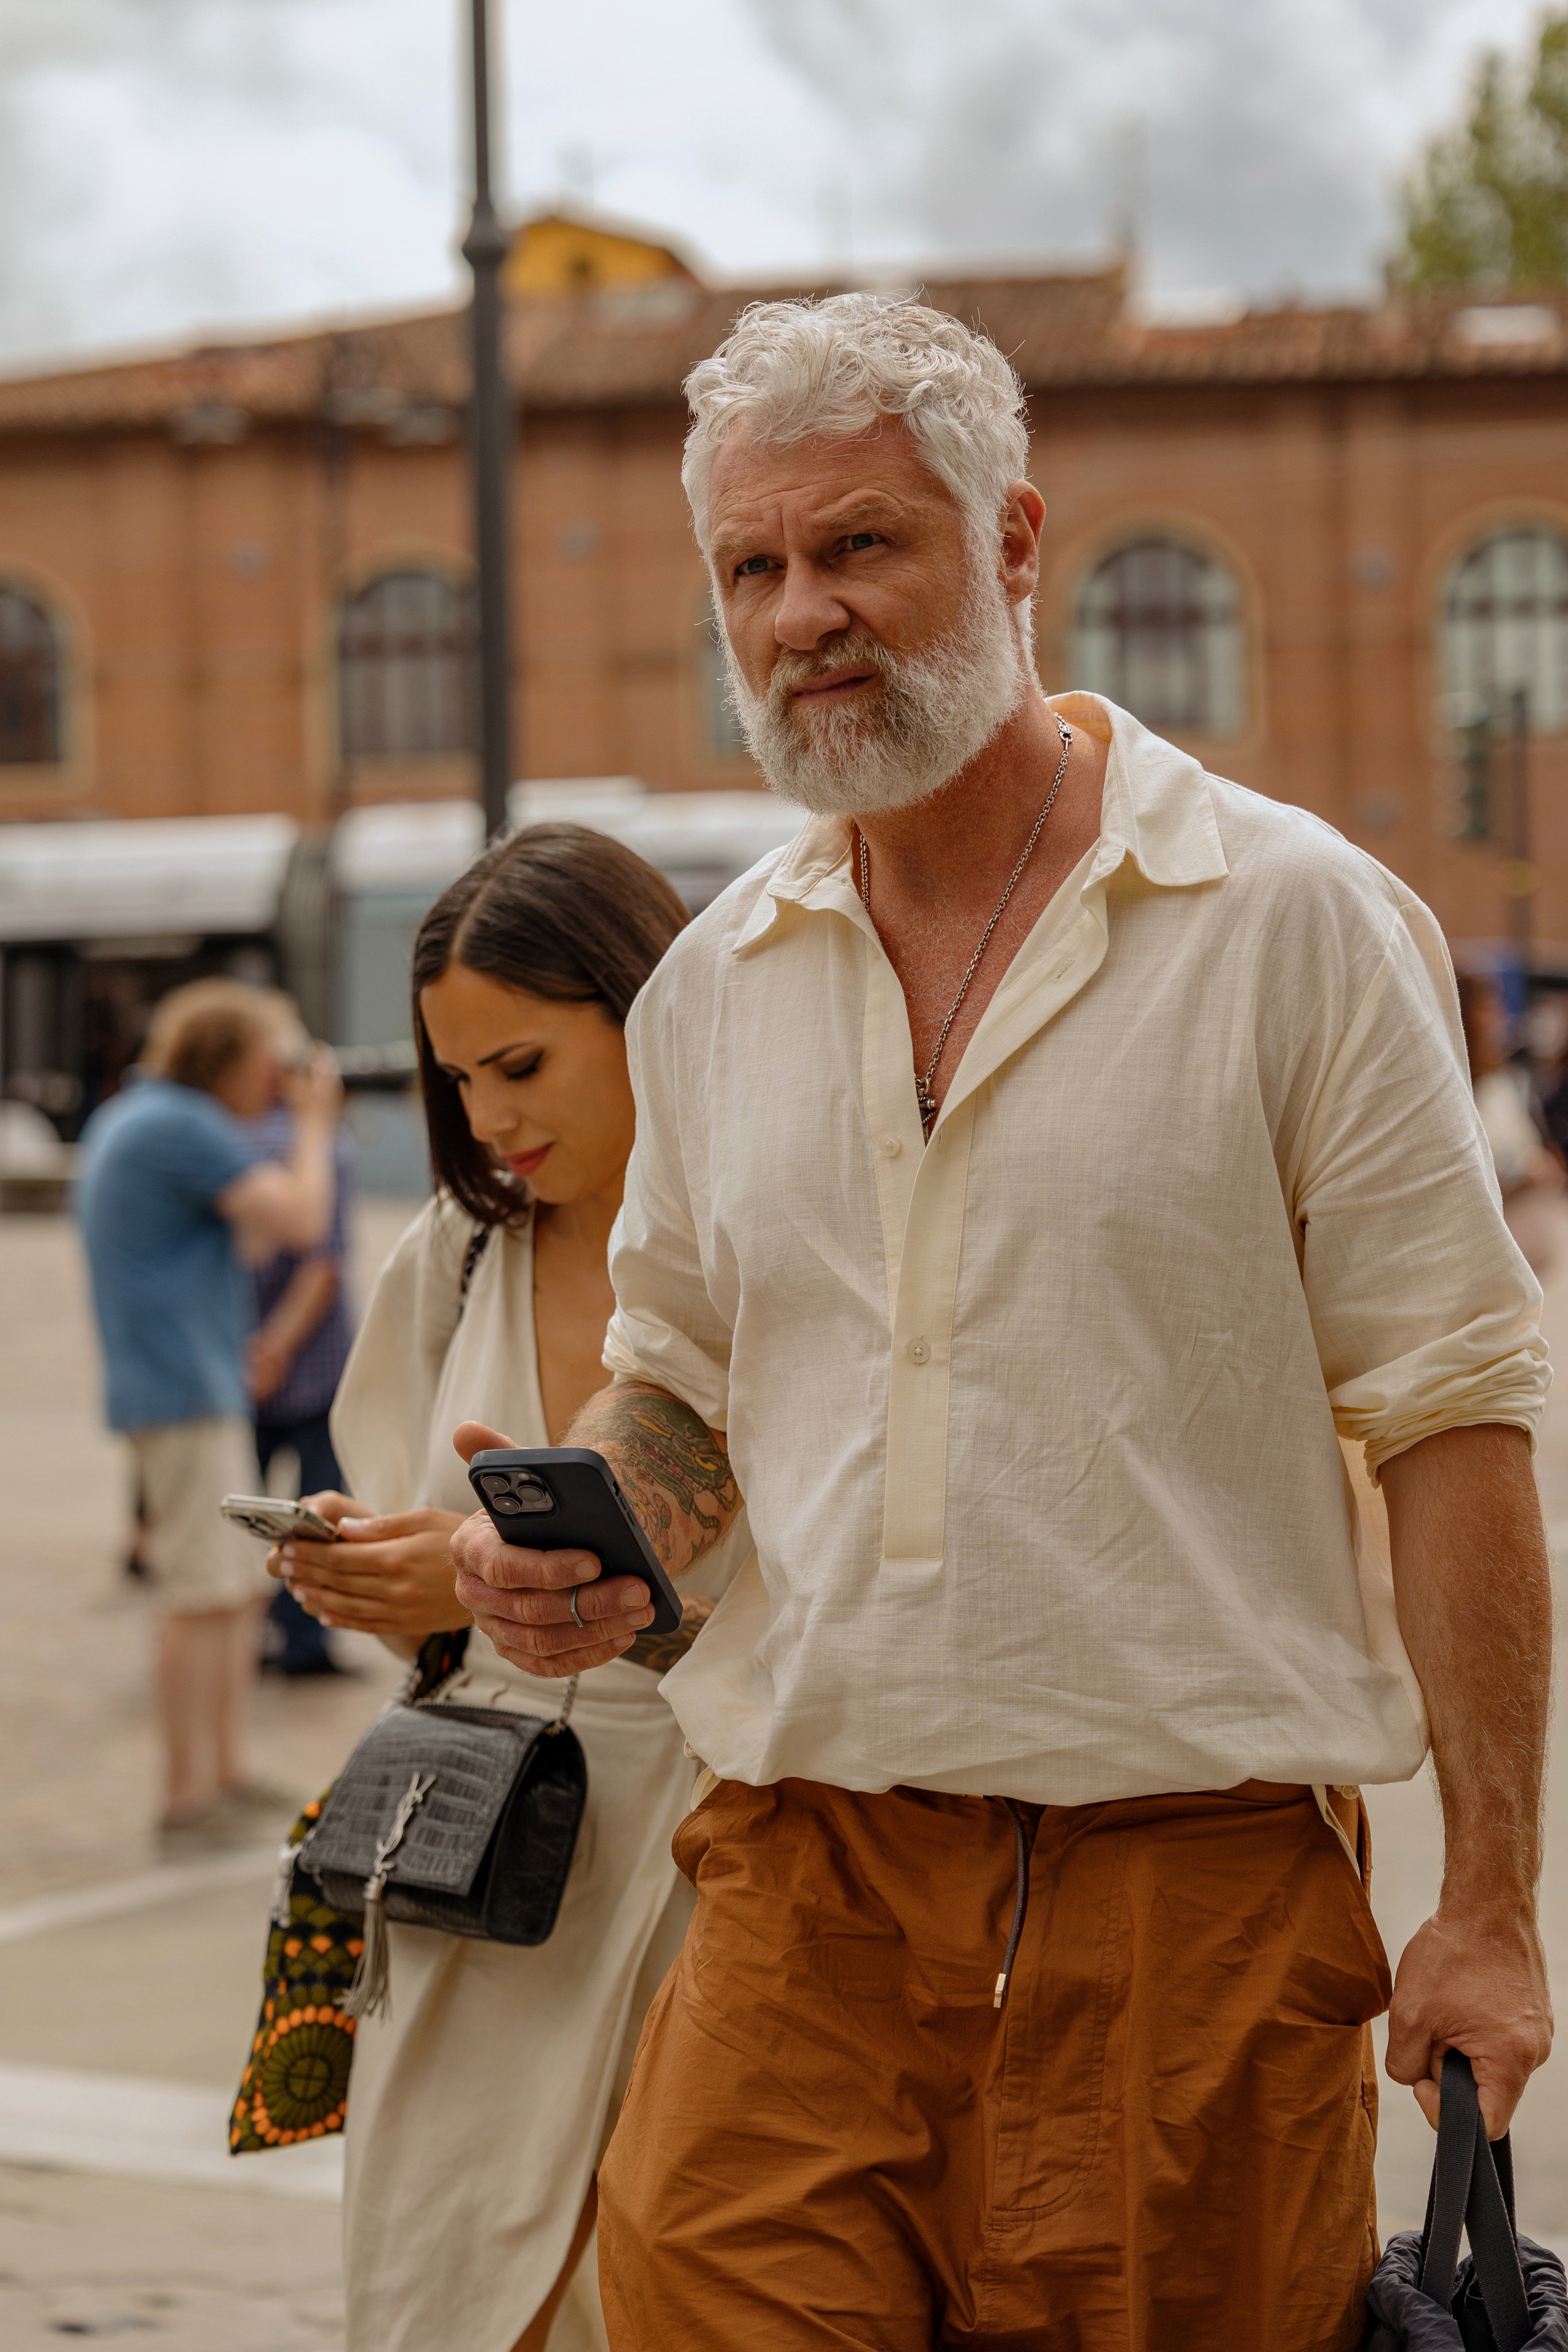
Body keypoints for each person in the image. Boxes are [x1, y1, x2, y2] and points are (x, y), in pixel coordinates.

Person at [450, 296, 1556, 2352]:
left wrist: (1488, 1904)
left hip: (1192, 1901)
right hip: (804, 1891)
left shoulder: (1296, 921)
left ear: (1017, 540)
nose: (804, 614)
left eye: (862, 543)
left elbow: (1458, 1416)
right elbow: (681, 1382)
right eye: (753, 569)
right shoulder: (716, 984)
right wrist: (599, 1529)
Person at [267, 824, 746, 2352]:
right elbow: (424, 1550)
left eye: (522, 1064)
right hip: (483, 1869)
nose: (490, 1114)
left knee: (670, 2285)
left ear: (646, 1009)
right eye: (459, 1077)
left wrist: (482, 1585)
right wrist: (378, 1570)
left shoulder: (776, 1242)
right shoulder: (456, 1256)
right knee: (445, 2283)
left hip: (718, 1858)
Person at [76, 978, 341, 1847]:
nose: (280, 1076)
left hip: (187, 1386)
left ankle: (220, 1774)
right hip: (184, 1390)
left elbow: (256, 1234)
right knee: (203, 1595)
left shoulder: (145, 1119)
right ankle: (190, 1795)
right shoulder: (178, 1123)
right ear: (230, 1057)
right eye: (272, 1058)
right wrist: (314, 1124)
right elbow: (302, 1220)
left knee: (229, 1594)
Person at [241, 1033, 358, 1676]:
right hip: (312, 1363)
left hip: (242, 1361)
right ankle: (305, 1643)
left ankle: (245, 1634)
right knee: (317, 1514)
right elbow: (324, 1268)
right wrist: (281, 1349)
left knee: (244, 1509)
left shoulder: (232, 1145)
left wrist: (258, 1350)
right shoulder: (325, 1151)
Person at [1457, 967, 1566, 1278]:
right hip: (1495, 1258)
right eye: (1487, 1005)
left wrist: (1546, 1165)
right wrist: (1522, 1183)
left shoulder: (1502, 1080)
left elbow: (1529, 1144)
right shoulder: (1458, 1092)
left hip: (1537, 1247)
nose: (1498, 1015)